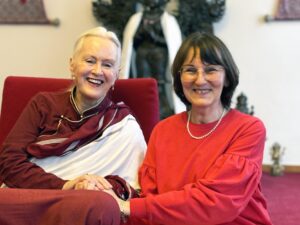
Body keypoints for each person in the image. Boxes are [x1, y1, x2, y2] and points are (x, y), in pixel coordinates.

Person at [108, 32, 273, 225]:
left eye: (210, 70)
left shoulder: (248, 129)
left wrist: (129, 207)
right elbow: (151, 199)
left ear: (227, 77)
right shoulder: (163, 130)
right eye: (190, 70)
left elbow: (215, 201)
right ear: (180, 78)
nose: (200, 80)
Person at [0, 26, 146, 225]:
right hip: (32, 197)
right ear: (72, 65)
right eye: (90, 60)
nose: (97, 71)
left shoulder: (124, 126)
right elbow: (9, 163)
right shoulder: (43, 104)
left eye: (107, 64)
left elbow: (132, 189)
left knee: (98, 205)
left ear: (116, 75)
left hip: (81, 206)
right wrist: (66, 185)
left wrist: (94, 186)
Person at [121, 0, 184, 118]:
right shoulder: (136, 19)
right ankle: (142, 107)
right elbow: (131, 43)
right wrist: (141, 33)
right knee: (142, 80)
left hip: (159, 54)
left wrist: (153, 35)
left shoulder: (168, 20)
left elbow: (170, 42)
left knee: (158, 81)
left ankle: (161, 107)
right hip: (142, 53)